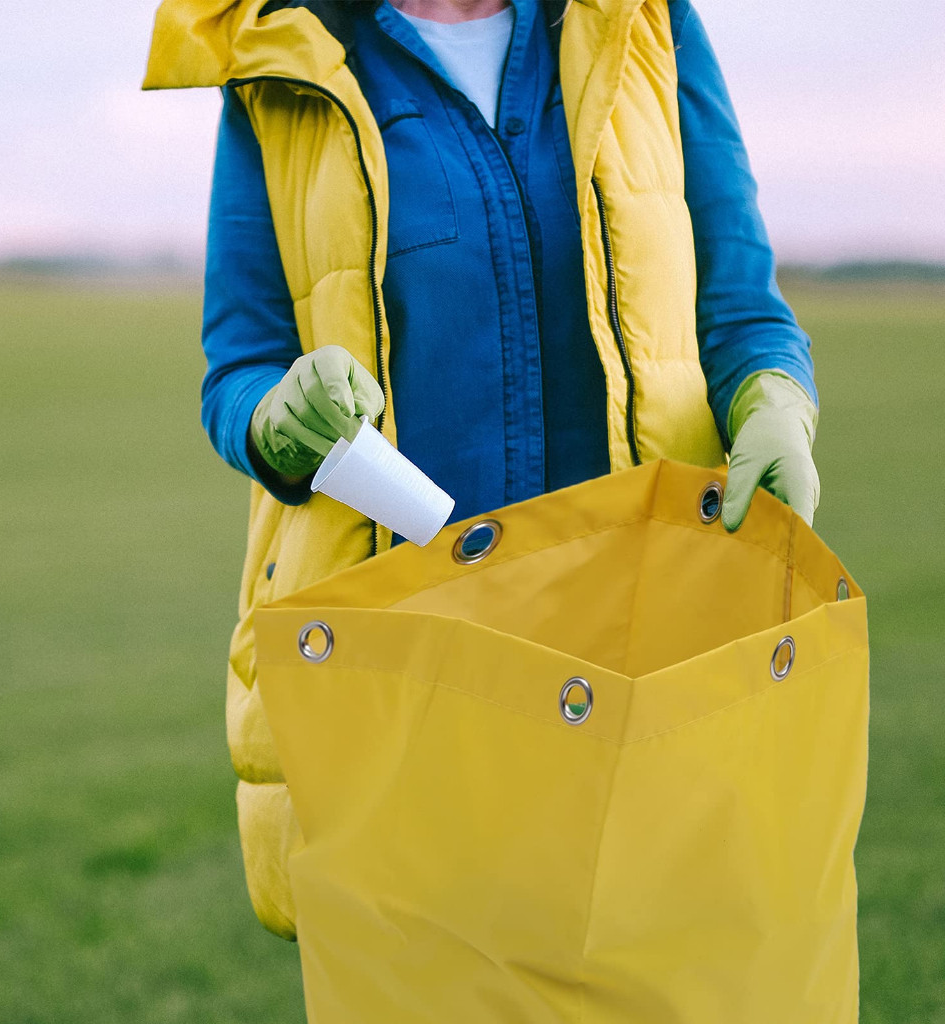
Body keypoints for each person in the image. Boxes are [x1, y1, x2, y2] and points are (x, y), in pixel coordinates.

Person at [144, 0, 820, 942]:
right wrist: (277, 416)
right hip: (407, 663)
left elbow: (741, 310)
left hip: (646, 639)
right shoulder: (274, 57)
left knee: (661, 973)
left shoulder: (647, 21)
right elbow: (239, 365)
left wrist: (774, 400)